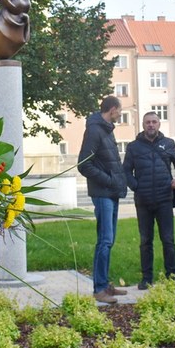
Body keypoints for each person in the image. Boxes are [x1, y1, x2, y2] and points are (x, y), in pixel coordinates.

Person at [123, 111, 175, 290]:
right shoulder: (133, 147)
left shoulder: (168, 144)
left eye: (154, 122)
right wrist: (137, 186)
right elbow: (126, 171)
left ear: (159, 124)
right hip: (143, 201)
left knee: (168, 240)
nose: (151, 125)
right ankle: (146, 278)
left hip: (164, 199)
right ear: (143, 125)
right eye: (147, 122)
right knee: (145, 241)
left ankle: (172, 277)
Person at [78, 95, 128, 304]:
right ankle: (99, 289)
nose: (120, 114)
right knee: (105, 241)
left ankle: (105, 284)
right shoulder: (95, 130)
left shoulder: (106, 130)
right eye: (120, 110)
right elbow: (84, 164)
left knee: (109, 240)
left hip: (112, 192)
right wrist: (108, 180)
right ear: (113, 109)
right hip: (103, 193)